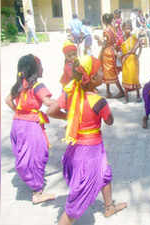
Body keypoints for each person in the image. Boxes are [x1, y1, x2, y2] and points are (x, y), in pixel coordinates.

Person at [47, 55, 127, 225]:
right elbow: (110, 121)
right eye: (99, 71)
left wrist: (68, 116)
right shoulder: (98, 101)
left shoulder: (70, 94)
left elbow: (51, 111)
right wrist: (106, 111)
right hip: (90, 153)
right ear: (91, 78)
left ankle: (108, 207)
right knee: (77, 202)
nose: (101, 72)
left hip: (76, 148)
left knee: (105, 173)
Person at [5, 54, 55, 204]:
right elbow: (47, 103)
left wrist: (19, 112)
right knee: (37, 155)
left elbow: (7, 100)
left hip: (17, 123)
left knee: (25, 154)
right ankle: (37, 192)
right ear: (35, 70)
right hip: (30, 127)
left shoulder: (20, 85)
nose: (43, 68)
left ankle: (32, 182)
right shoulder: (38, 86)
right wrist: (63, 104)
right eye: (40, 66)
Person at [97, 13, 125, 99]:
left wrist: (98, 39)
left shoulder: (106, 31)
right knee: (108, 71)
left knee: (110, 72)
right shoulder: (113, 28)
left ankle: (121, 91)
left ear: (104, 21)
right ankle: (108, 91)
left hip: (107, 51)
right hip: (112, 50)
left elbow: (104, 43)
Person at [121, 20, 142, 103]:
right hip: (125, 61)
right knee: (126, 77)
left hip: (133, 61)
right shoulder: (121, 39)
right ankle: (126, 97)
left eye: (129, 28)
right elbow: (119, 49)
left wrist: (138, 55)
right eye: (126, 28)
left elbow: (140, 45)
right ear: (123, 29)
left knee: (135, 78)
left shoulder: (133, 38)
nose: (128, 30)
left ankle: (138, 95)